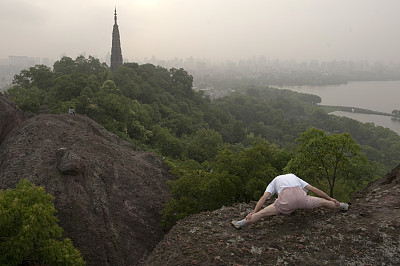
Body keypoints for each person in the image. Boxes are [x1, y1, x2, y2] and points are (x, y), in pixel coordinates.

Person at [231, 173, 349, 229]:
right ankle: (343, 206)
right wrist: (330, 198)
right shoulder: (294, 176)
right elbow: (313, 189)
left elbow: (263, 198)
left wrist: (254, 211)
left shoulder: (274, 181)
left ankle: (240, 223)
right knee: (324, 202)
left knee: (261, 214)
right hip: (303, 199)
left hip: (286, 202)